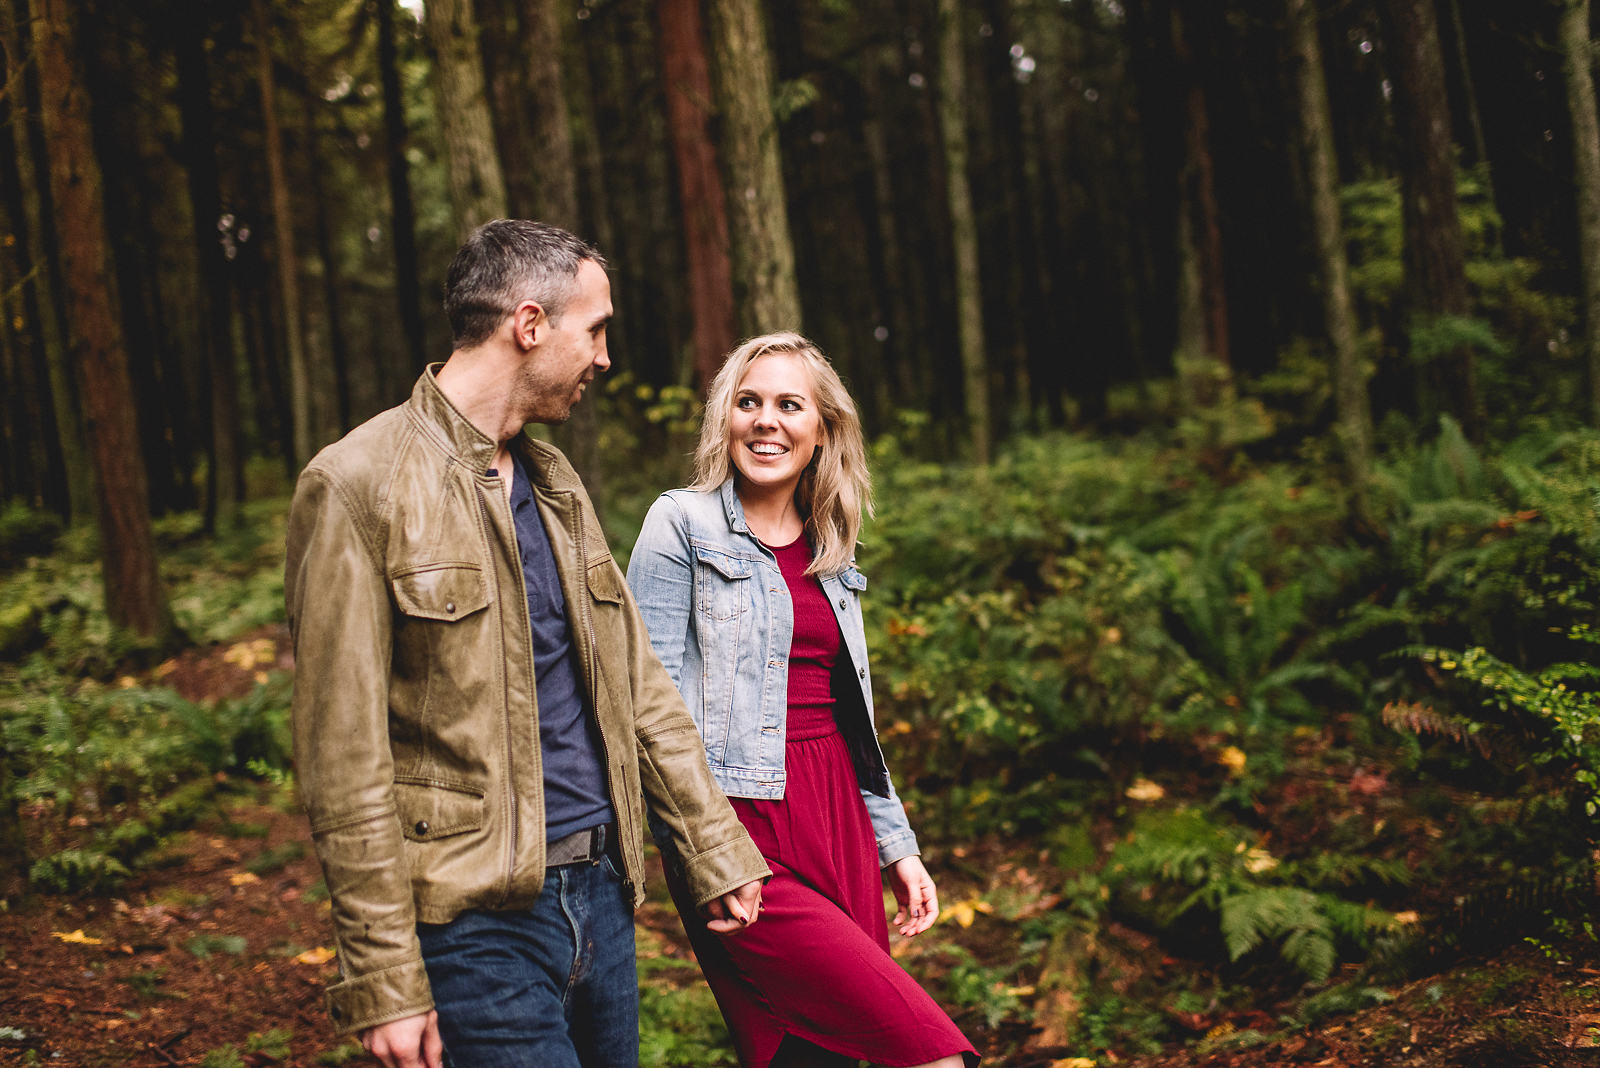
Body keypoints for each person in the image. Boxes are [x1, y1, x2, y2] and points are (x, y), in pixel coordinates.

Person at [284, 219, 770, 1068]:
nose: (605, 357)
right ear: (531, 324)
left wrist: (712, 847)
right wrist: (385, 978)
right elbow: (342, 757)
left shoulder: (555, 482)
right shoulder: (355, 484)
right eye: (598, 329)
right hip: (473, 923)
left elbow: (634, 683)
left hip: (603, 899)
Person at [626, 332, 978, 1068]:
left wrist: (897, 847)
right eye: (748, 402)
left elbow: (854, 719)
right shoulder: (680, 525)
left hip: (838, 816)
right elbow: (642, 702)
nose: (766, 421)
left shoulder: (831, 545)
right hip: (739, 826)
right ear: (725, 420)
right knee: (927, 1053)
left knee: (816, 1059)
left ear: (822, 431)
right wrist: (704, 854)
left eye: (790, 405)